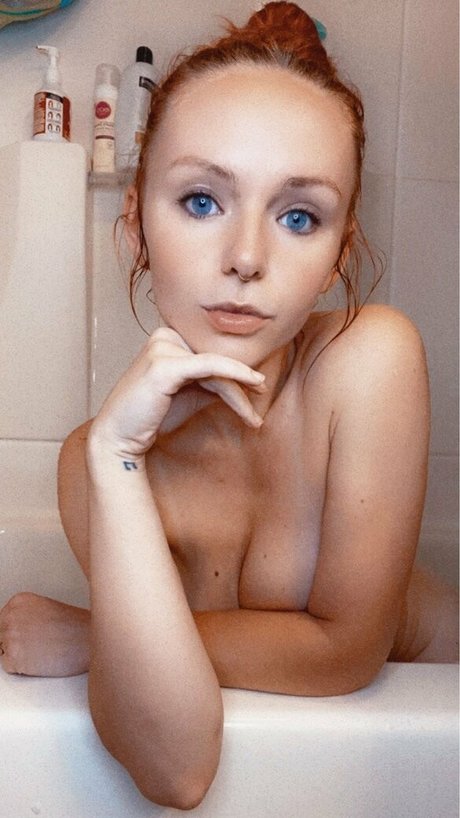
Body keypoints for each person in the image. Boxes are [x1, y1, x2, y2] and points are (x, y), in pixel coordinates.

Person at [0, 2, 458, 809]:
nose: (247, 257)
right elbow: (175, 771)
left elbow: (346, 656)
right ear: (136, 222)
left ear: (338, 253)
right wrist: (116, 457)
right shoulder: (93, 462)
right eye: (202, 202)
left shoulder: (368, 358)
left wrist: (92, 636)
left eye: (298, 216)